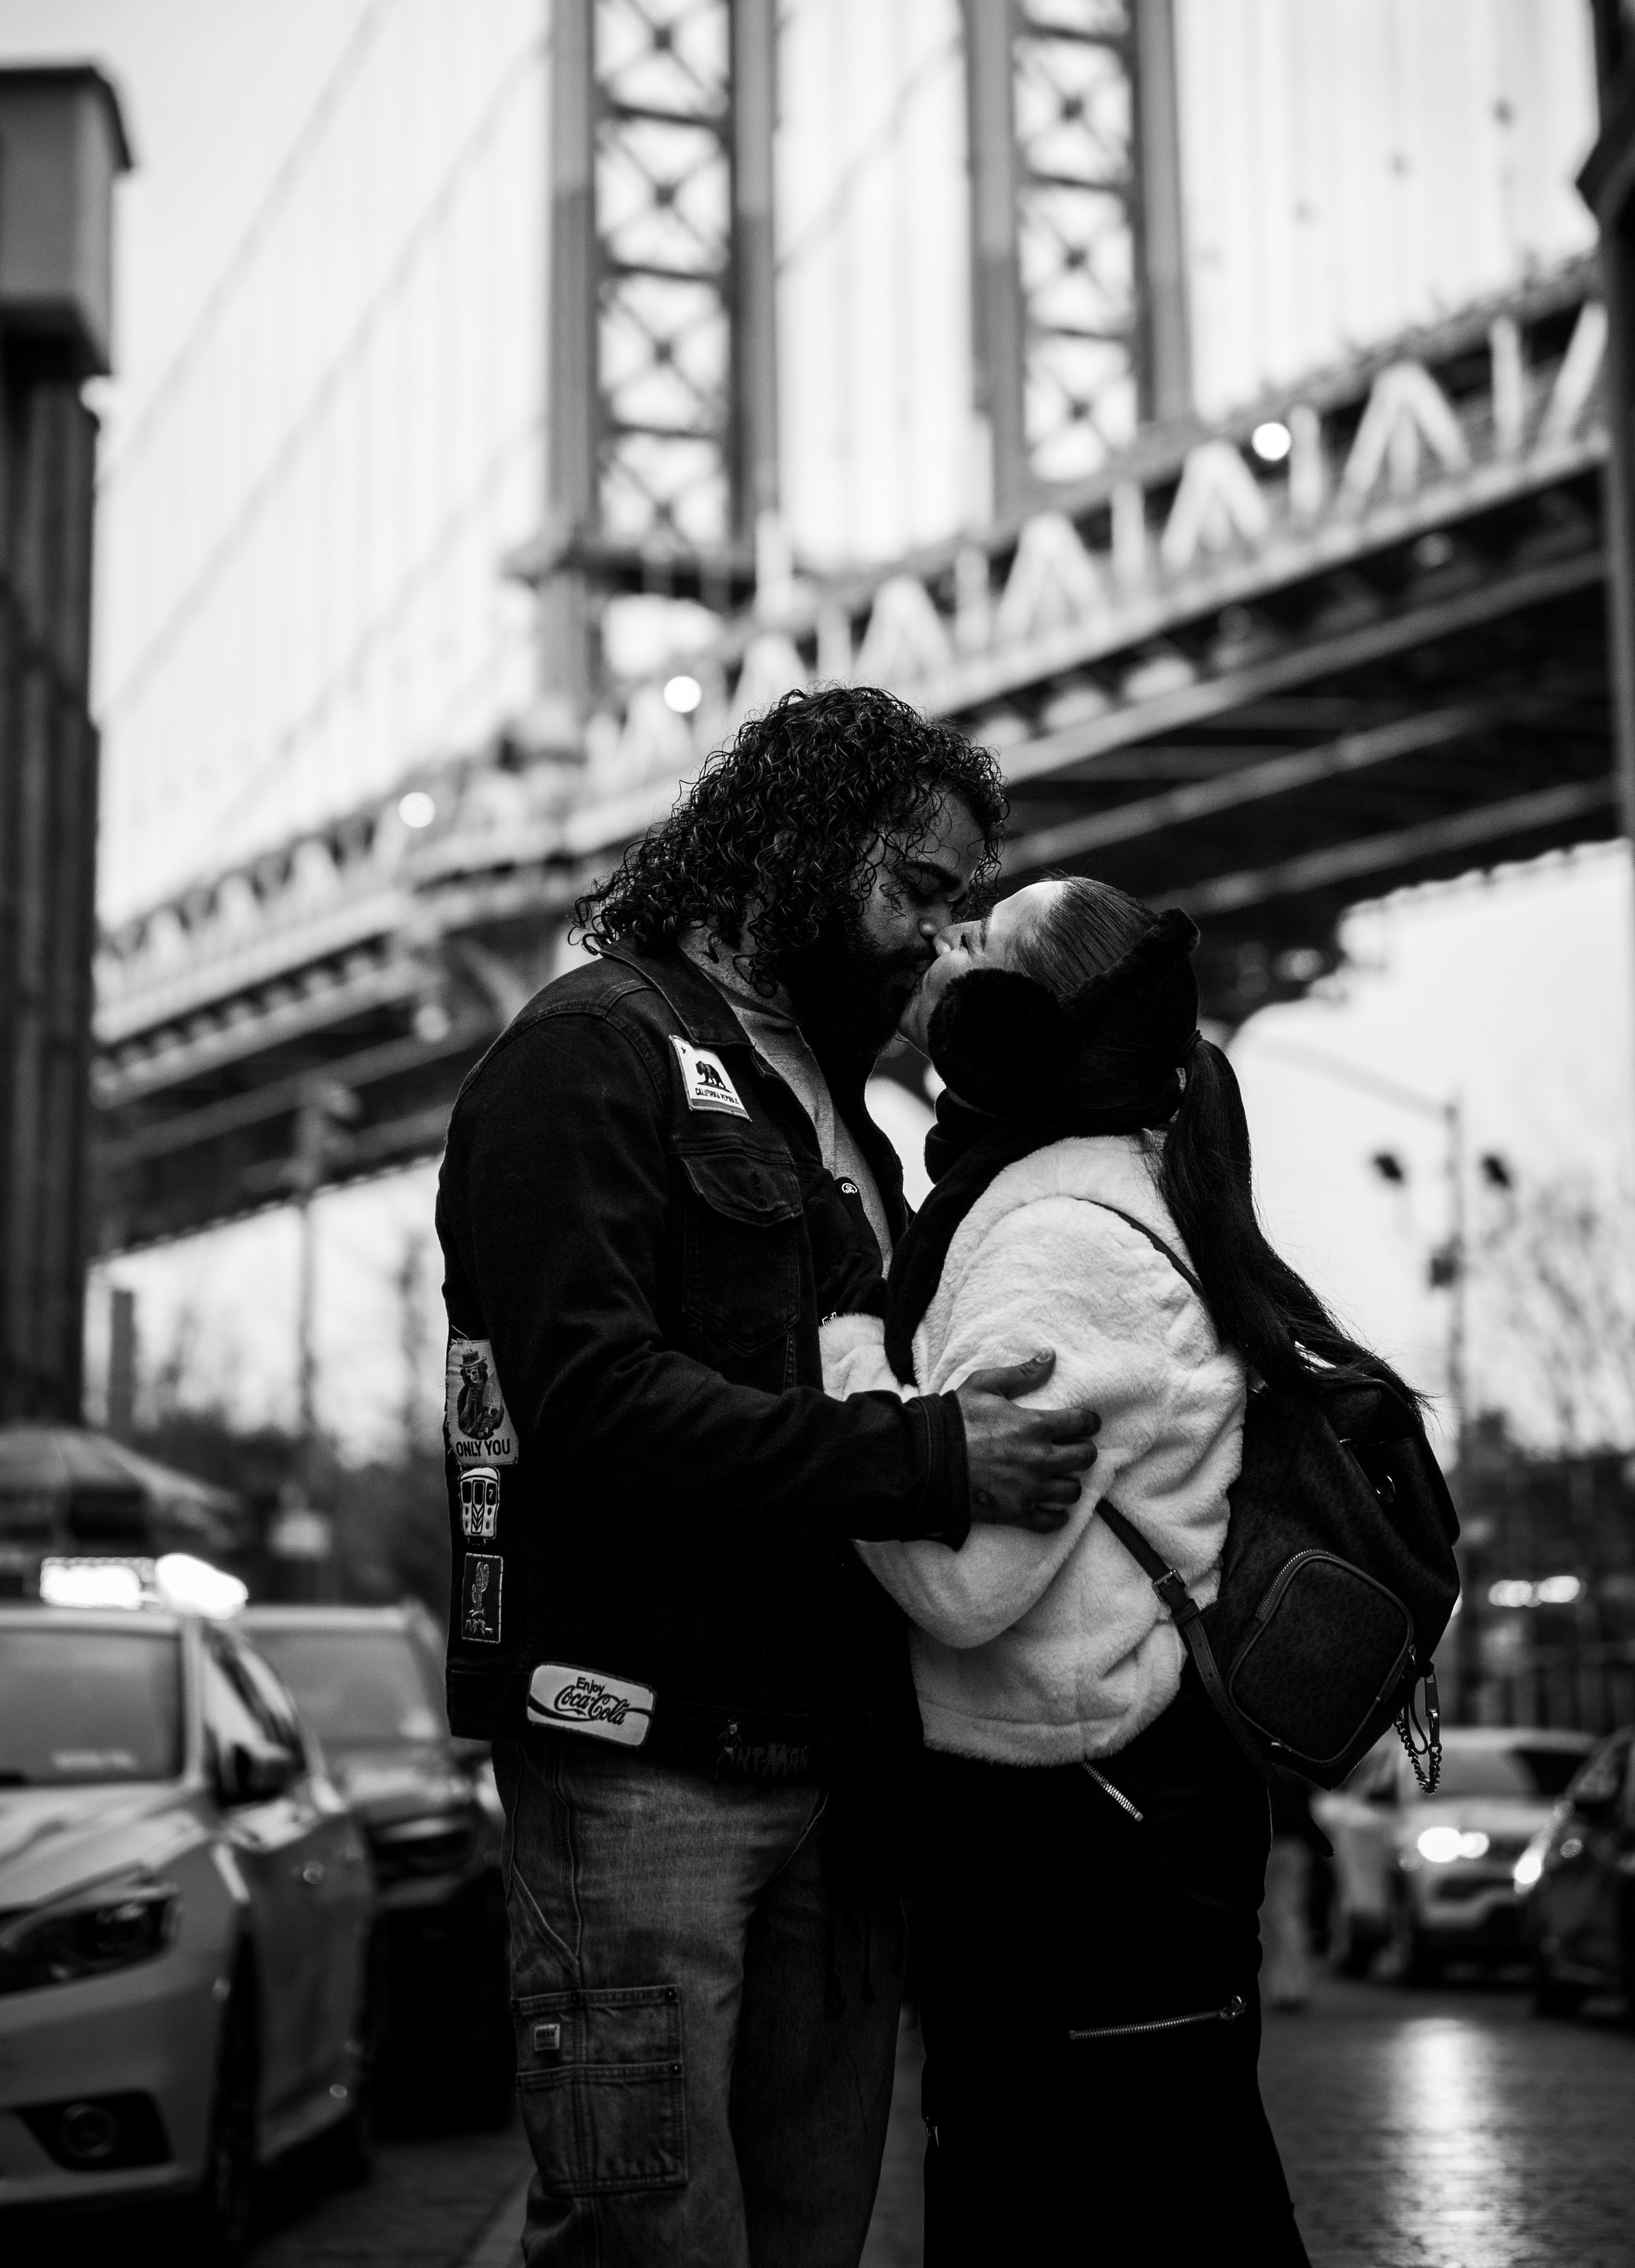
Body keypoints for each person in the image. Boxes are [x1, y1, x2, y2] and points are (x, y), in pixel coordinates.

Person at [435, 688, 1104, 2268]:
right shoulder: (584, 1054)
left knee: (814, 2243)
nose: (934, 942)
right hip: (639, 1771)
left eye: (955, 905)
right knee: (642, 2239)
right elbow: (588, 1397)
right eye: (915, 888)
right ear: (796, 848)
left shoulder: (843, 1109)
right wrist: (930, 1458)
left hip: (839, 1782)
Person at [824, 875, 1416, 2265]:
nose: (942, 947)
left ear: (1013, 1028)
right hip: (1116, 1834)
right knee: (1173, 2203)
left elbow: (965, 1584)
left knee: (1098, 2217)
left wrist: (846, 1352)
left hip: (1081, 1853)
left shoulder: (1057, 1249)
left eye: (979, 944)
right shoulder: (1083, 1206)